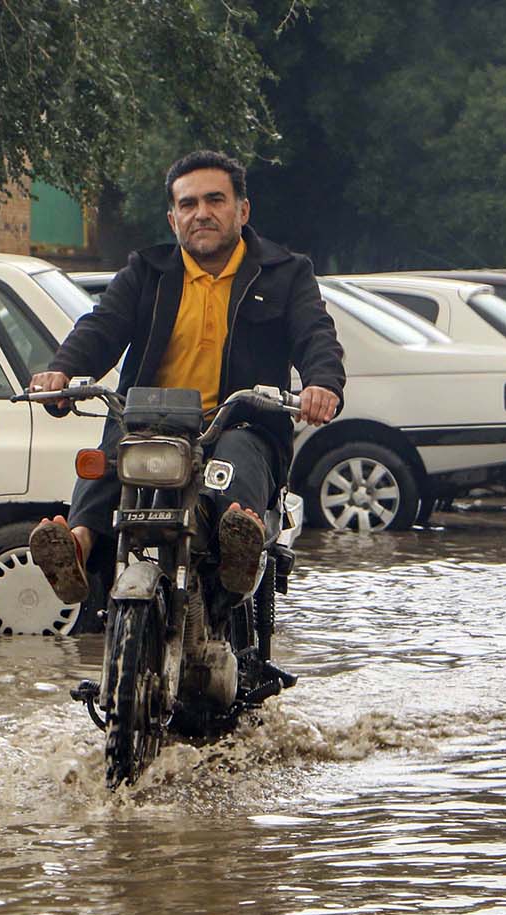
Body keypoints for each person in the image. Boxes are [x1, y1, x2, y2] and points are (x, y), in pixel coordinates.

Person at [26, 149, 345, 604]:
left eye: (215, 200)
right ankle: (77, 546)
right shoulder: (146, 272)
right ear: (174, 219)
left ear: (242, 210)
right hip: (149, 422)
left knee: (240, 448)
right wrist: (61, 372)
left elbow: (316, 334)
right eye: (189, 204)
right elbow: (101, 327)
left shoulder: (286, 274)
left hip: (237, 422)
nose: (202, 213)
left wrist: (323, 384)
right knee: (112, 452)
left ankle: (241, 543)